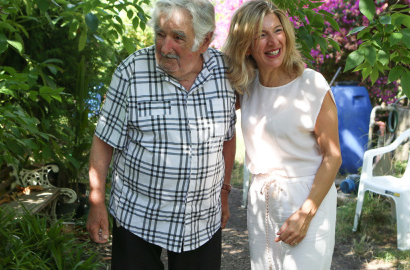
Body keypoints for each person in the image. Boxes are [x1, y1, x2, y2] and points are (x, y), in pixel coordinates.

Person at [86, 0, 237, 268]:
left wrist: (224, 191)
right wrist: (96, 201)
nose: (165, 47)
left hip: (201, 222)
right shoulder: (131, 72)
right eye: (160, 34)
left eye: (178, 37)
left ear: (204, 41)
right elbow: (104, 140)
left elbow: (227, 137)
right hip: (139, 217)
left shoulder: (225, 74)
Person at [222, 0, 342, 269]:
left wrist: (305, 213)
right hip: (261, 200)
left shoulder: (311, 84)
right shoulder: (246, 86)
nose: (272, 41)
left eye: (277, 30)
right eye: (260, 35)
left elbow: (333, 158)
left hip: (307, 198)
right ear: (246, 45)